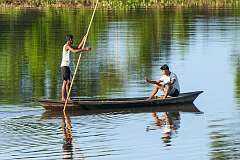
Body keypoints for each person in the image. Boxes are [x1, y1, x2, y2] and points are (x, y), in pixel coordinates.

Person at [61, 34, 91, 101]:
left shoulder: (69, 46)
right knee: (65, 82)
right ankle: (63, 98)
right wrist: (85, 49)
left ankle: (68, 97)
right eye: (72, 39)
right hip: (64, 66)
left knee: (69, 82)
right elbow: (74, 51)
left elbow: (78, 48)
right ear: (70, 40)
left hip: (67, 66)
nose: (73, 41)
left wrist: (83, 39)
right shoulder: (66, 46)